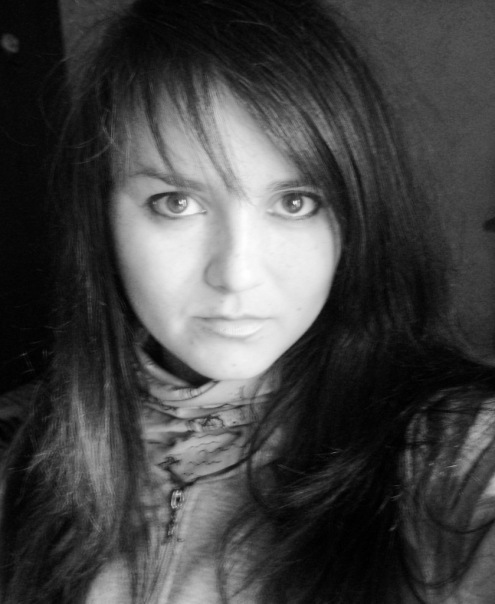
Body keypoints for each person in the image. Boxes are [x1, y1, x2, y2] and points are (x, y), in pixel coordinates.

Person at [1, 0, 495, 602]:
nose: (236, 275)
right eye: (176, 203)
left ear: (356, 216)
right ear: (102, 218)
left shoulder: (451, 448)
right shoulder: (28, 448)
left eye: (295, 202)